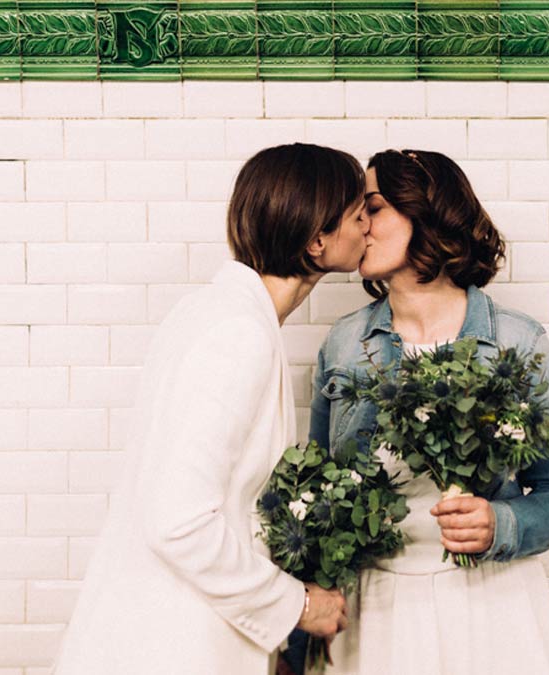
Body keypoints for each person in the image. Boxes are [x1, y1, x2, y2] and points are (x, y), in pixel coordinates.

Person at [53, 143, 373, 674]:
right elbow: (177, 522)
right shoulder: (237, 334)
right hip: (173, 645)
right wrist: (297, 604)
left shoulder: (212, 313)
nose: (368, 227)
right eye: (358, 214)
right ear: (317, 240)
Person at [285, 149, 549, 674]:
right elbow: (314, 504)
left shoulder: (517, 341)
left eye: (373, 207)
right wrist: (293, 644)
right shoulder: (342, 345)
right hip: (374, 608)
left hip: (492, 604)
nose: (358, 224)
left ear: (425, 212)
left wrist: (501, 523)